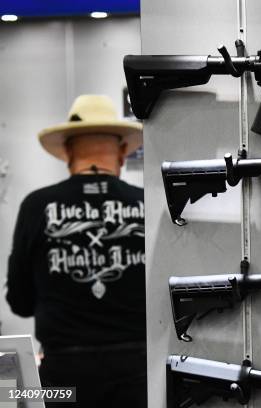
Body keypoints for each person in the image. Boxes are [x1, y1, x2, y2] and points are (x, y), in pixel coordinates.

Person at [5, 95, 146, 407]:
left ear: (68, 151)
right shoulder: (144, 203)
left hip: (64, 373)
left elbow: (20, 301)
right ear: (122, 152)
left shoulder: (37, 205)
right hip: (138, 371)